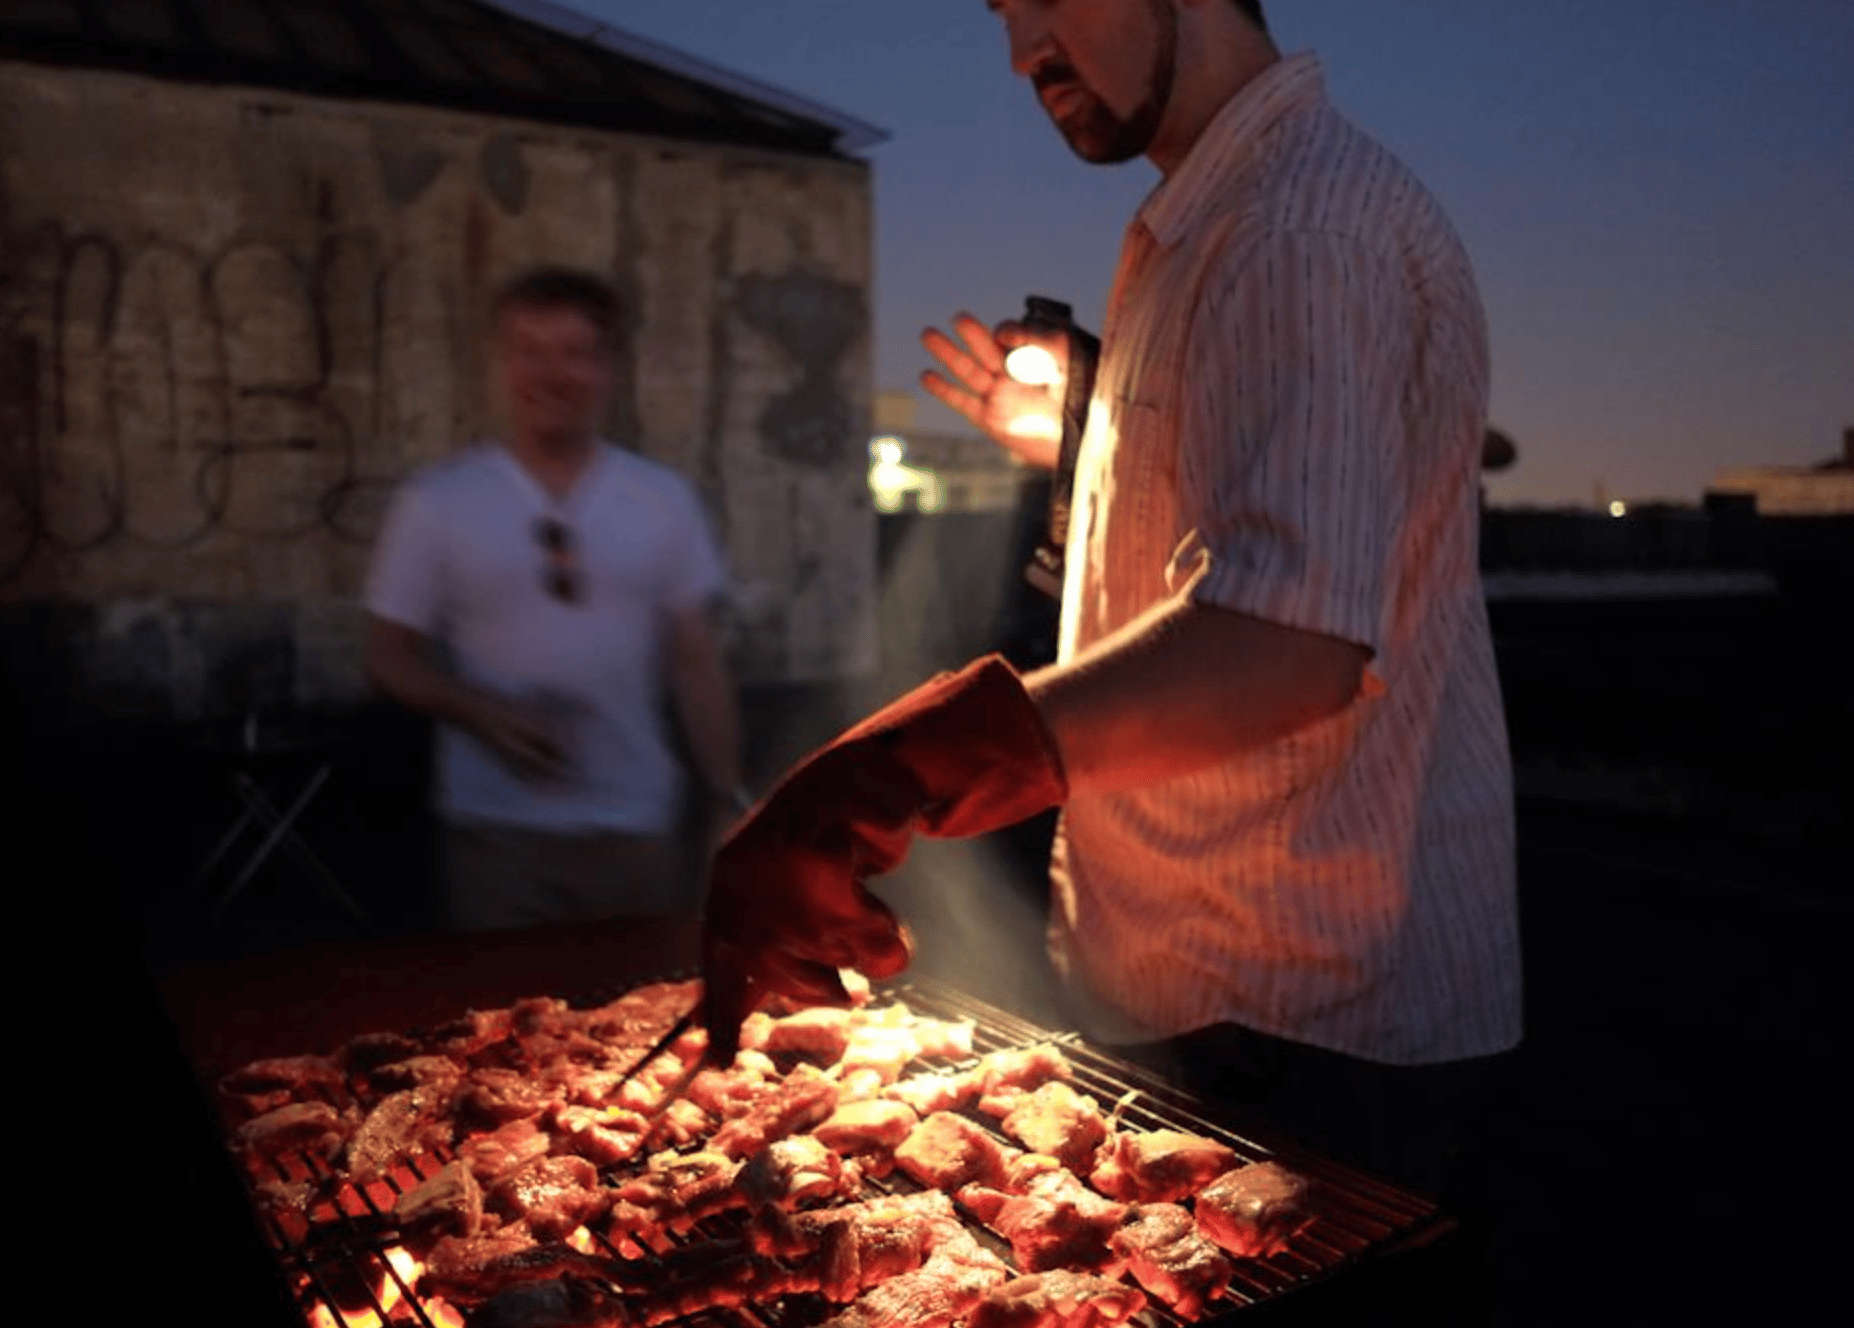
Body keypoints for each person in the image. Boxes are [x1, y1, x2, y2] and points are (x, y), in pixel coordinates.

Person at [701, 0, 1522, 1201]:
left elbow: (1286, 645)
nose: (1022, 50)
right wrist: (1090, 442)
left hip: (1307, 1017)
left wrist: (898, 769)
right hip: (1220, 980)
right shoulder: (1230, 215)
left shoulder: (1295, 225)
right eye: (1000, 13)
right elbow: (1262, 545)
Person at [365, 266, 746, 932]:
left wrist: (725, 796)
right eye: (529, 350)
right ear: (499, 364)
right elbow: (387, 656)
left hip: (638, 826)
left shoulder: (662, 501)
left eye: (575, 353)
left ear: (608, 369)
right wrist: (481, 711)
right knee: (502, 1027)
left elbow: (696, 661)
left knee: (640, 1015)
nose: (551, 374)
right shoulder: (438, 501)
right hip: (495, 832)